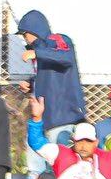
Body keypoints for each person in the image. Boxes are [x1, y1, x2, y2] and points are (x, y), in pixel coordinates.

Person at [18, 9, 84, 142]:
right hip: (44, 120)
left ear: (34, 30)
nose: (24, 38)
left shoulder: (57, 39)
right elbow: (48, 77)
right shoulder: (38, 50)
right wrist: (31, 84)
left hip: (64, 118)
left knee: (61, 161)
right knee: (38, 161)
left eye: (24, 34)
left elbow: (66, 58)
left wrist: (37, 54)